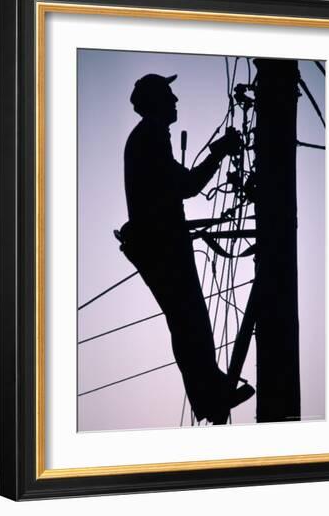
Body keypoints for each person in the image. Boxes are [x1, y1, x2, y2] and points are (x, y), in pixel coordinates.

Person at [117, 73, 254, 424]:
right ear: (154, 101)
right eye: (168, 94)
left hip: (161, 243)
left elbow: (180, 187)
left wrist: (216, 155)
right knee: (189, 320)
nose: (175, 99)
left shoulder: (148, 137)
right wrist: (220, 153)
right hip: (162, 246)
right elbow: (188, 185)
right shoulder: (149, 136)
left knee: (188, 320)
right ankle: (208, 394)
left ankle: (209, 391)